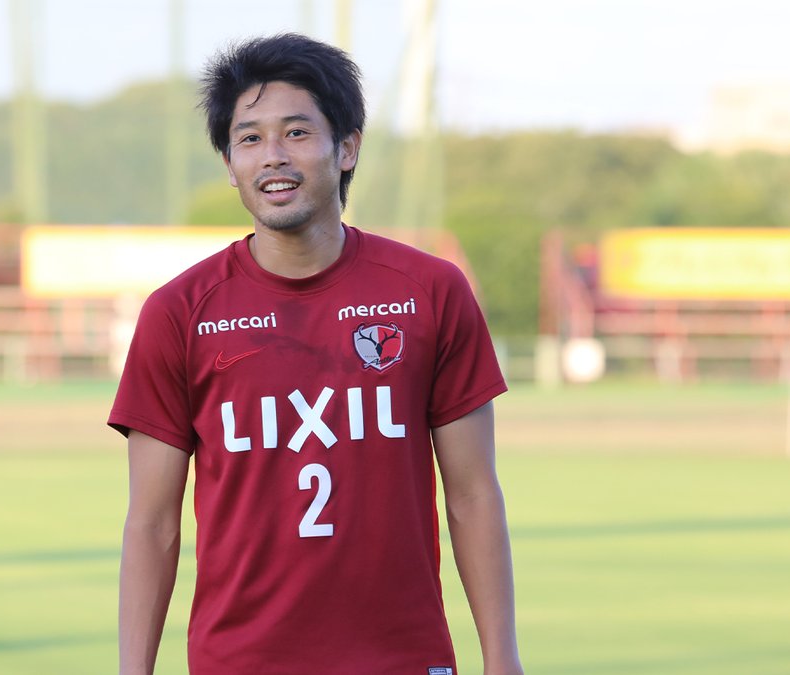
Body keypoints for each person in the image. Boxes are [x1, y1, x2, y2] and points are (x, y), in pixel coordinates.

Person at [110, 33, 522, 675]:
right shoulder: (179, 313)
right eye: (248, 139)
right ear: (229, 162)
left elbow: (472, 496)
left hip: (402, 661)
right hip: (239, 663)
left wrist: (504, 660)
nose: (273, 156)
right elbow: (152, 524)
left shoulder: (429, 292)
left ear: (347, 145)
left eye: (297, 132)